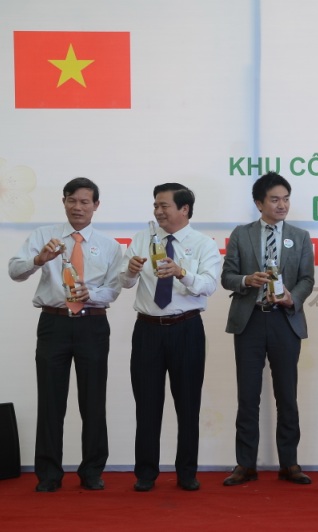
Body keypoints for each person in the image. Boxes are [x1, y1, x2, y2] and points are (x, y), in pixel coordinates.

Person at [8, 178, 122, 492]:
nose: (78, 207)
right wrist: (39, 260)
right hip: (53, 324)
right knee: (50, 400)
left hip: (92, 324)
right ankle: (48, 474)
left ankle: (92, 471)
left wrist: (91, 293)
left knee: (93, 400)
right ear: (63, 202)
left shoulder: (110, 246)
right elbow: (15, 271)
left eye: (85, 202)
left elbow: (114, 290)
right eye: (72, 200)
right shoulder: (43, 236)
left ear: (96, 205)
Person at [120, 183, 222, 492]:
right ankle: (145, 473)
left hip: (186, 329)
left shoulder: (203, 244)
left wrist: (181, 272)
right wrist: (131, 270)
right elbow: (124, 282)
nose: (158, 211)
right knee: (147, 404)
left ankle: (187, 472)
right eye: (156, 205)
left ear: (184, 209)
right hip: (147, 330)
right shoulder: (142, 239)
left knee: (188, 404)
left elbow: (208, 286)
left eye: (164, 205)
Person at [220, 172, 315, 487]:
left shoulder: (300, 236)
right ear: (259, 203)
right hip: (250, 320)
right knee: (248, 396)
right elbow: (227, 276)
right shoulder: (242, 234)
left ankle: (289, 463)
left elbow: (307, 279)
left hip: (284, 320)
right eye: (275, 199)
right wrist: (247, 280)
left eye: (286, 199)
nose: (282, 205)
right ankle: (245, 464)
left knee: (287, 395)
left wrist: (292, 298)